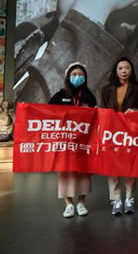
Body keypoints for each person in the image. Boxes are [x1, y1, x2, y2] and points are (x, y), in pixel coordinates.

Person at [49, 62, 96, 218]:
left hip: (83, 142)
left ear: (85, 77)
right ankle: (69, 204)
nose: (77, 77)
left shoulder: (89, 96)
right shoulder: (60, 95)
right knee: (65, 172)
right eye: (74, 74)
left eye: (80, 75)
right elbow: (47, 113)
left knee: (83, 173)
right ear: (68, 77)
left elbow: (96, 116)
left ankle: (81, 202)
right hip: (65, 142)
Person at [101, 57, 138, 215]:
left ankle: (129, 199)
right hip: (112, 132)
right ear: (115, 71)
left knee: (130, 165)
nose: (124, 71)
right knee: (113, 166)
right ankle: (116, 200)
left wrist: (135, 111)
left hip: (130, 131)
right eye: (120, 68)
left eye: (127, 68)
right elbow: (103, 109)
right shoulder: (107, 89)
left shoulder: (137, 88)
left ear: (131, 70)